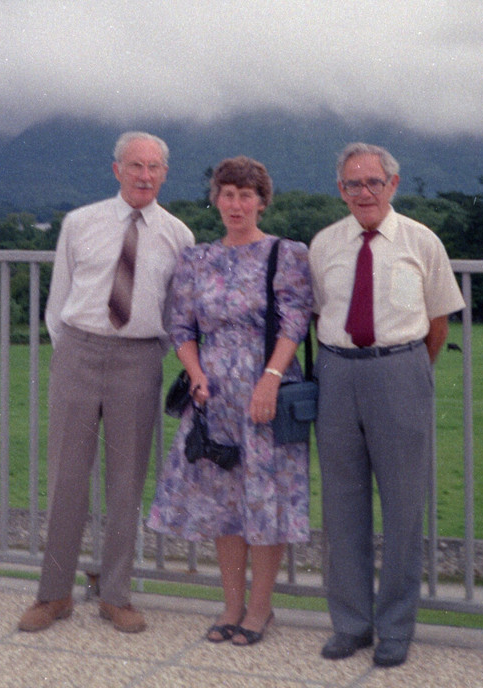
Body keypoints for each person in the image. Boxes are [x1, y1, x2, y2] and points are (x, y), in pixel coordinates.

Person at [18, 131, 195, 634]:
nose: (144, 175)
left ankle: (116, 596)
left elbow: (175, 312)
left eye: (154, 167)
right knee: (66, 479)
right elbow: (59, 300)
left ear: (165, 174)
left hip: (138, 359)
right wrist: (74, 349)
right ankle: (54, 595)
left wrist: (145, 349)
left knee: (126, 482)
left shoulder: (179, 236)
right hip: (78, 351)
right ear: (117, 169)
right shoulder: (80, 223)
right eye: (135, 165)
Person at [308, 142, 465, 668]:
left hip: (400, 371)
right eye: (353, 183)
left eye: (374, 182)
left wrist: (405, 368)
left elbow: (438, 322)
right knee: (341, 505)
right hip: (336, 374)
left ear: (393, 185)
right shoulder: (324, 244)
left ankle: (395, 629)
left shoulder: (422, 242)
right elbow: (320, 313)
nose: (364, 192)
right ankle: (351, 624)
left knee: (403, 507)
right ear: (341, 190)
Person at [147, 156, 313, 646]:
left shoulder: (286, 254)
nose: (236, 204)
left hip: (267, 389)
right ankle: (231, 605)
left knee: (266, 499)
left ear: (262, 201)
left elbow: (295, 321)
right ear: (215, 200)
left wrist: (270, 379)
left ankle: (260, 609)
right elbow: (181, 326)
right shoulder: (195, 259)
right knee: (225, 503)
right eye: (227, 194)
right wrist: (197, 375)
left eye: (246, 195)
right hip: (214, 394)